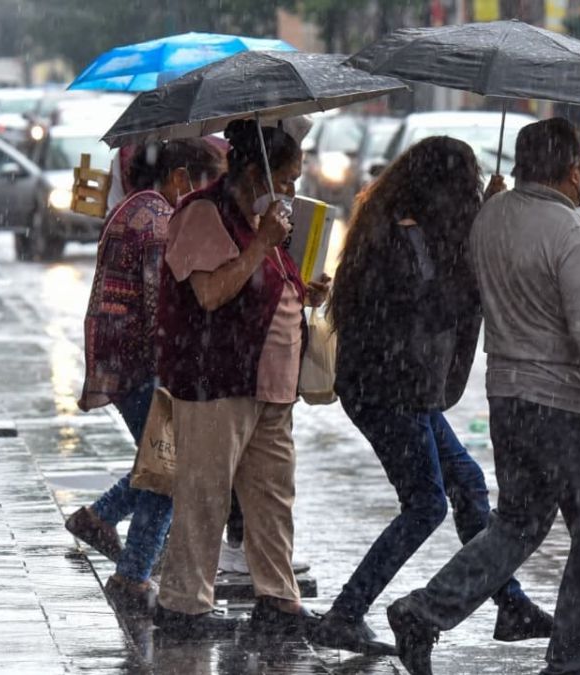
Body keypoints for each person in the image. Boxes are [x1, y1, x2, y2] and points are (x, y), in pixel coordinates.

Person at [385, 118, 580, 675]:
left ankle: (425, 611)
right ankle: (572, 665)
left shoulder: (490, 218)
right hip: (567, 408)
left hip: (509, 402)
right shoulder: (570, 231)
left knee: (516, 525)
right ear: (574, 169)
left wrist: (492, 207)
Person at [311, 137, 553, 655]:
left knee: (466, 483)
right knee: (425, 505)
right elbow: (433, 306)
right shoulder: (400, 236)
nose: (468, 192)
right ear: (440, 186)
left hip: (401, 388)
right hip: (385, 390)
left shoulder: (412, 226)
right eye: (464, 183)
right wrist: (477, 244)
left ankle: (509, 605)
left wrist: (483, 220)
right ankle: (346, 613)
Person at [153, 118, 329, 639]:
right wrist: (263, 244)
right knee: (205, 495)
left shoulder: (263, 220)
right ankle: (184, 604)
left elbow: (266, 283)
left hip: (271, 386)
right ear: (257, 173)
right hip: (217, 380)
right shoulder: (204, 214)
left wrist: (303, 291)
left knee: (272, 498)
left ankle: (277, 598)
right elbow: (211, 293)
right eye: (288, 178)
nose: (293, 189)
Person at [67, 139, 225, 613]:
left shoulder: (133, 207)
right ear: (180, 178)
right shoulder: (158, 222)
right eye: (204, 185)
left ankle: (99, 517)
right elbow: (163, 308)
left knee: (160, 461)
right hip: (142, 366)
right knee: (169, 469)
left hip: (122, 361)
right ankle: (132, 574)